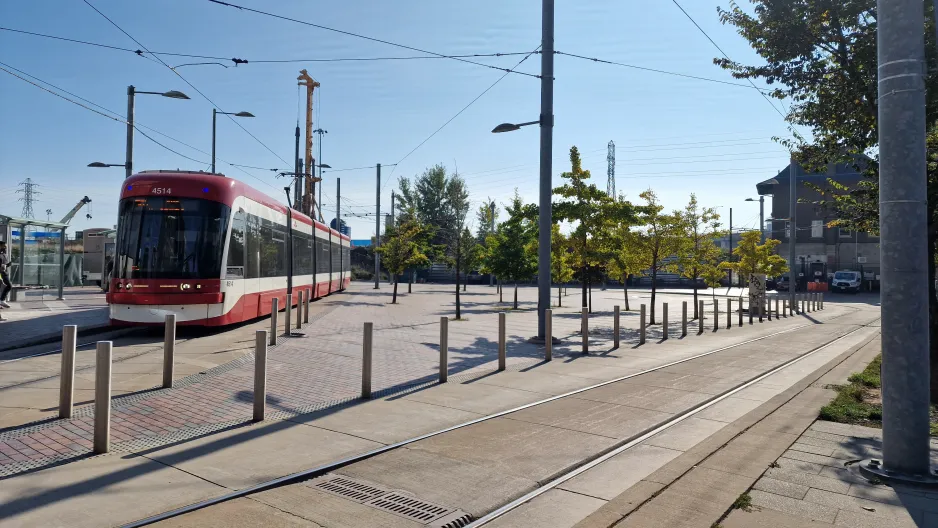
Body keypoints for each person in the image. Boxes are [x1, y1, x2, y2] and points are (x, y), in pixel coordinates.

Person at [0, 241, 11, 308]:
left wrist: (7, 265)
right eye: (4, 246)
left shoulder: (4, 253)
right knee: (9, 285)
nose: (5, 247)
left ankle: (2, 300)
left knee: (8, 286)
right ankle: (2, 300)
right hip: (1, 273)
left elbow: (4, 264)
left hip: (4, 272)